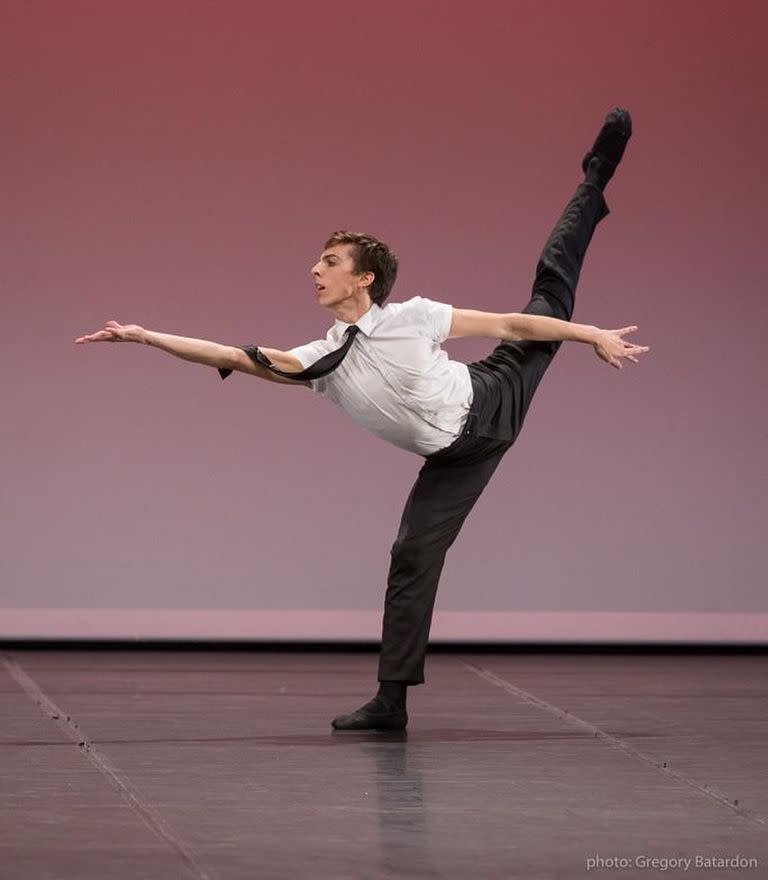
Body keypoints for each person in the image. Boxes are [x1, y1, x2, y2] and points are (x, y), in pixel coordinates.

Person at [75, 108, 649, 731]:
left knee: (550, 289)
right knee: (411, 555)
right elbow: (231, 355)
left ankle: (593, 179)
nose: (314, 271)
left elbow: (511, 327)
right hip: (457, 457)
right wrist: (143, 336)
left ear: (364, 277)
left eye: (328, 261)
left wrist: (590, 334)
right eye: (316, 263)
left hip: (492, 395)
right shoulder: (320, 361)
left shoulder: (414, 316)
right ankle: (391, 702)